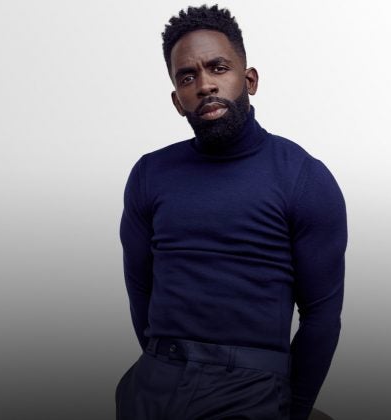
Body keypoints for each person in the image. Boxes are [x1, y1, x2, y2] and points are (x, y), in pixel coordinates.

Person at [116, 5, 347, 420]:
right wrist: (162, 364)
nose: (205, 84)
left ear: (249, 80)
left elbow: (322, 316)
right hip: (155, 383)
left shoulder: (303, 178)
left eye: (218, 68)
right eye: (187, 77)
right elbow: (140, 290)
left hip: (251, 389)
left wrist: (293, 411)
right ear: (177, 100)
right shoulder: (150, 174)